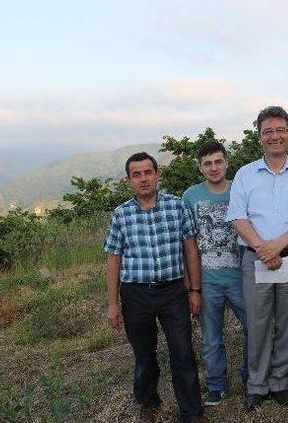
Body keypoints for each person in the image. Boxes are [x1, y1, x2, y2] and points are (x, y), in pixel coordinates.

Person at [225, 106, 288, 411]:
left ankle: (279, 381)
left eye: (280, 130)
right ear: (259, 138)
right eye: (268, 131)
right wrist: (262, 248)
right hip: (255, 259)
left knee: (287, 321)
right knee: (258, 323)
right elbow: (237, 217)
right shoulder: (245, 174)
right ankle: (256, 384)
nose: (275, 136)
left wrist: (278, 246)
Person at [103, 152, 205, 423]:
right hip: (135, 294)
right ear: (128, 180)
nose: (143, 179)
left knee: (183, 351)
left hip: (173, 291)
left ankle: (192, 413)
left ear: (157, 174)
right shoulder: (121, 215)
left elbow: (190, 252)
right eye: (136, 174)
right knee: (144, 354)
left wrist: (195, 291)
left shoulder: (176, 206)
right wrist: (113, 304)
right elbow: (114, 260)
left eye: (148, 172)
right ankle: (148, 400)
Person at [182, 141, 248, 407]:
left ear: (227, 163)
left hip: (241, 277)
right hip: (207, 281)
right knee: (211, 338)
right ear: (200, 168)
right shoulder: (190, 196)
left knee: (253, 330)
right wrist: (191, 288)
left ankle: (250, 377)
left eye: (218, 161)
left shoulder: (240, 189)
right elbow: (186, 245)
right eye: (207, 163)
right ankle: (216, 386)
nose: (213, 167)